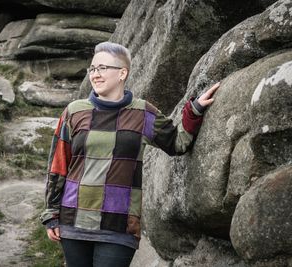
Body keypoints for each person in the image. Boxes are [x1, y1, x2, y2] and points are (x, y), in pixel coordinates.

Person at [40, 41, 219, 267]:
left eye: (102, 68)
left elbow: (177, 143)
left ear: (122, 73)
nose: (95, 74)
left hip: (120, 225)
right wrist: (51, 213)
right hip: (74, 221)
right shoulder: (74, 111)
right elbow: (58, 165)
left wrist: (195, 110)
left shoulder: (143, 113)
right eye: (92, 69)